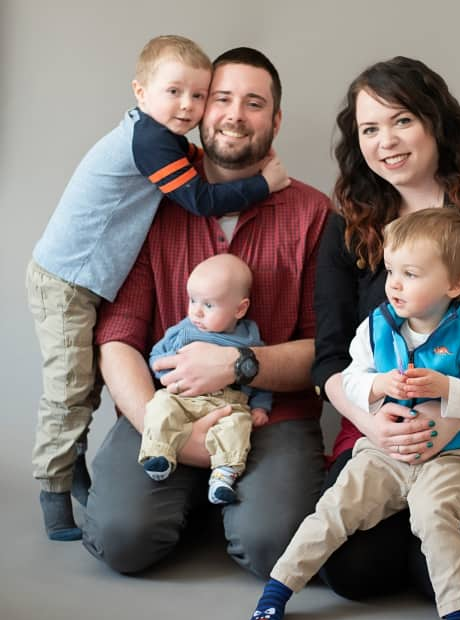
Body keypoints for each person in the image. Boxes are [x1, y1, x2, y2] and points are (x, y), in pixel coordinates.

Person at [311, 58, 460, 616]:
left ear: (435, 121)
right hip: (381, 427)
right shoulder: (347, 222)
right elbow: (329, 358)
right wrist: (376, 424)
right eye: (369, 129)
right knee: (352, 572)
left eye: (401, 121)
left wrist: (453, 415)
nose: (386, 142)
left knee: (447, 576)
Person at [26, 35, 289, 542]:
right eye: (176, 93)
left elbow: (191, 162)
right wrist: (264, 185)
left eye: (197, 96)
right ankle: (53, 491)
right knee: (68, 391)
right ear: (140, 92)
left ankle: (69, 467)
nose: (188, 107)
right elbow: (198, 198)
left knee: (84, 387)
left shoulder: (164, 140)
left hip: (87, 277)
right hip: (65, 278)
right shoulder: (149, 140)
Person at [80, 47, 331, 578]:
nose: (235, 114)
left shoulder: (313, 214)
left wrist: (241, 365)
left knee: (273, 548)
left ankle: (229, 491)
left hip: (269, 415)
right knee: (121, 540)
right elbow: (119, 335)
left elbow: (326, 349)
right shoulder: (152, 202)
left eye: (254, 102)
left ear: (276, 119)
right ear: (199, 109)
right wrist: (157, 423)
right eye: (221, 98)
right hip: (164, 405)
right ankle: (192, 489)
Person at [248, 208, 460, 620]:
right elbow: (350, 379)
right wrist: (377, 386)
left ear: (454, 285)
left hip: (448, 457)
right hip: (381, 453)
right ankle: (276, 592)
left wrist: (449, 388)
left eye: (410, 274)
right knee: (333, 509)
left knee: (434, 519)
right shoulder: (376, 327)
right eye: (391, 271)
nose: (394, 284)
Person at [139, 253, 272, 506]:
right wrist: (169, 374)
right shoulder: (183, 330)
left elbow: (260, 377)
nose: (196, 311)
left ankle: (224, 475)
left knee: (238, 425)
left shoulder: (249, 338)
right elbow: (156, 357)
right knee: (159, 405)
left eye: (208, 305)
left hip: (227, 402)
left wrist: (260, 407)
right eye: (192, 300)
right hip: (183, 395)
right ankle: (159, 454)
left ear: (240, 308)